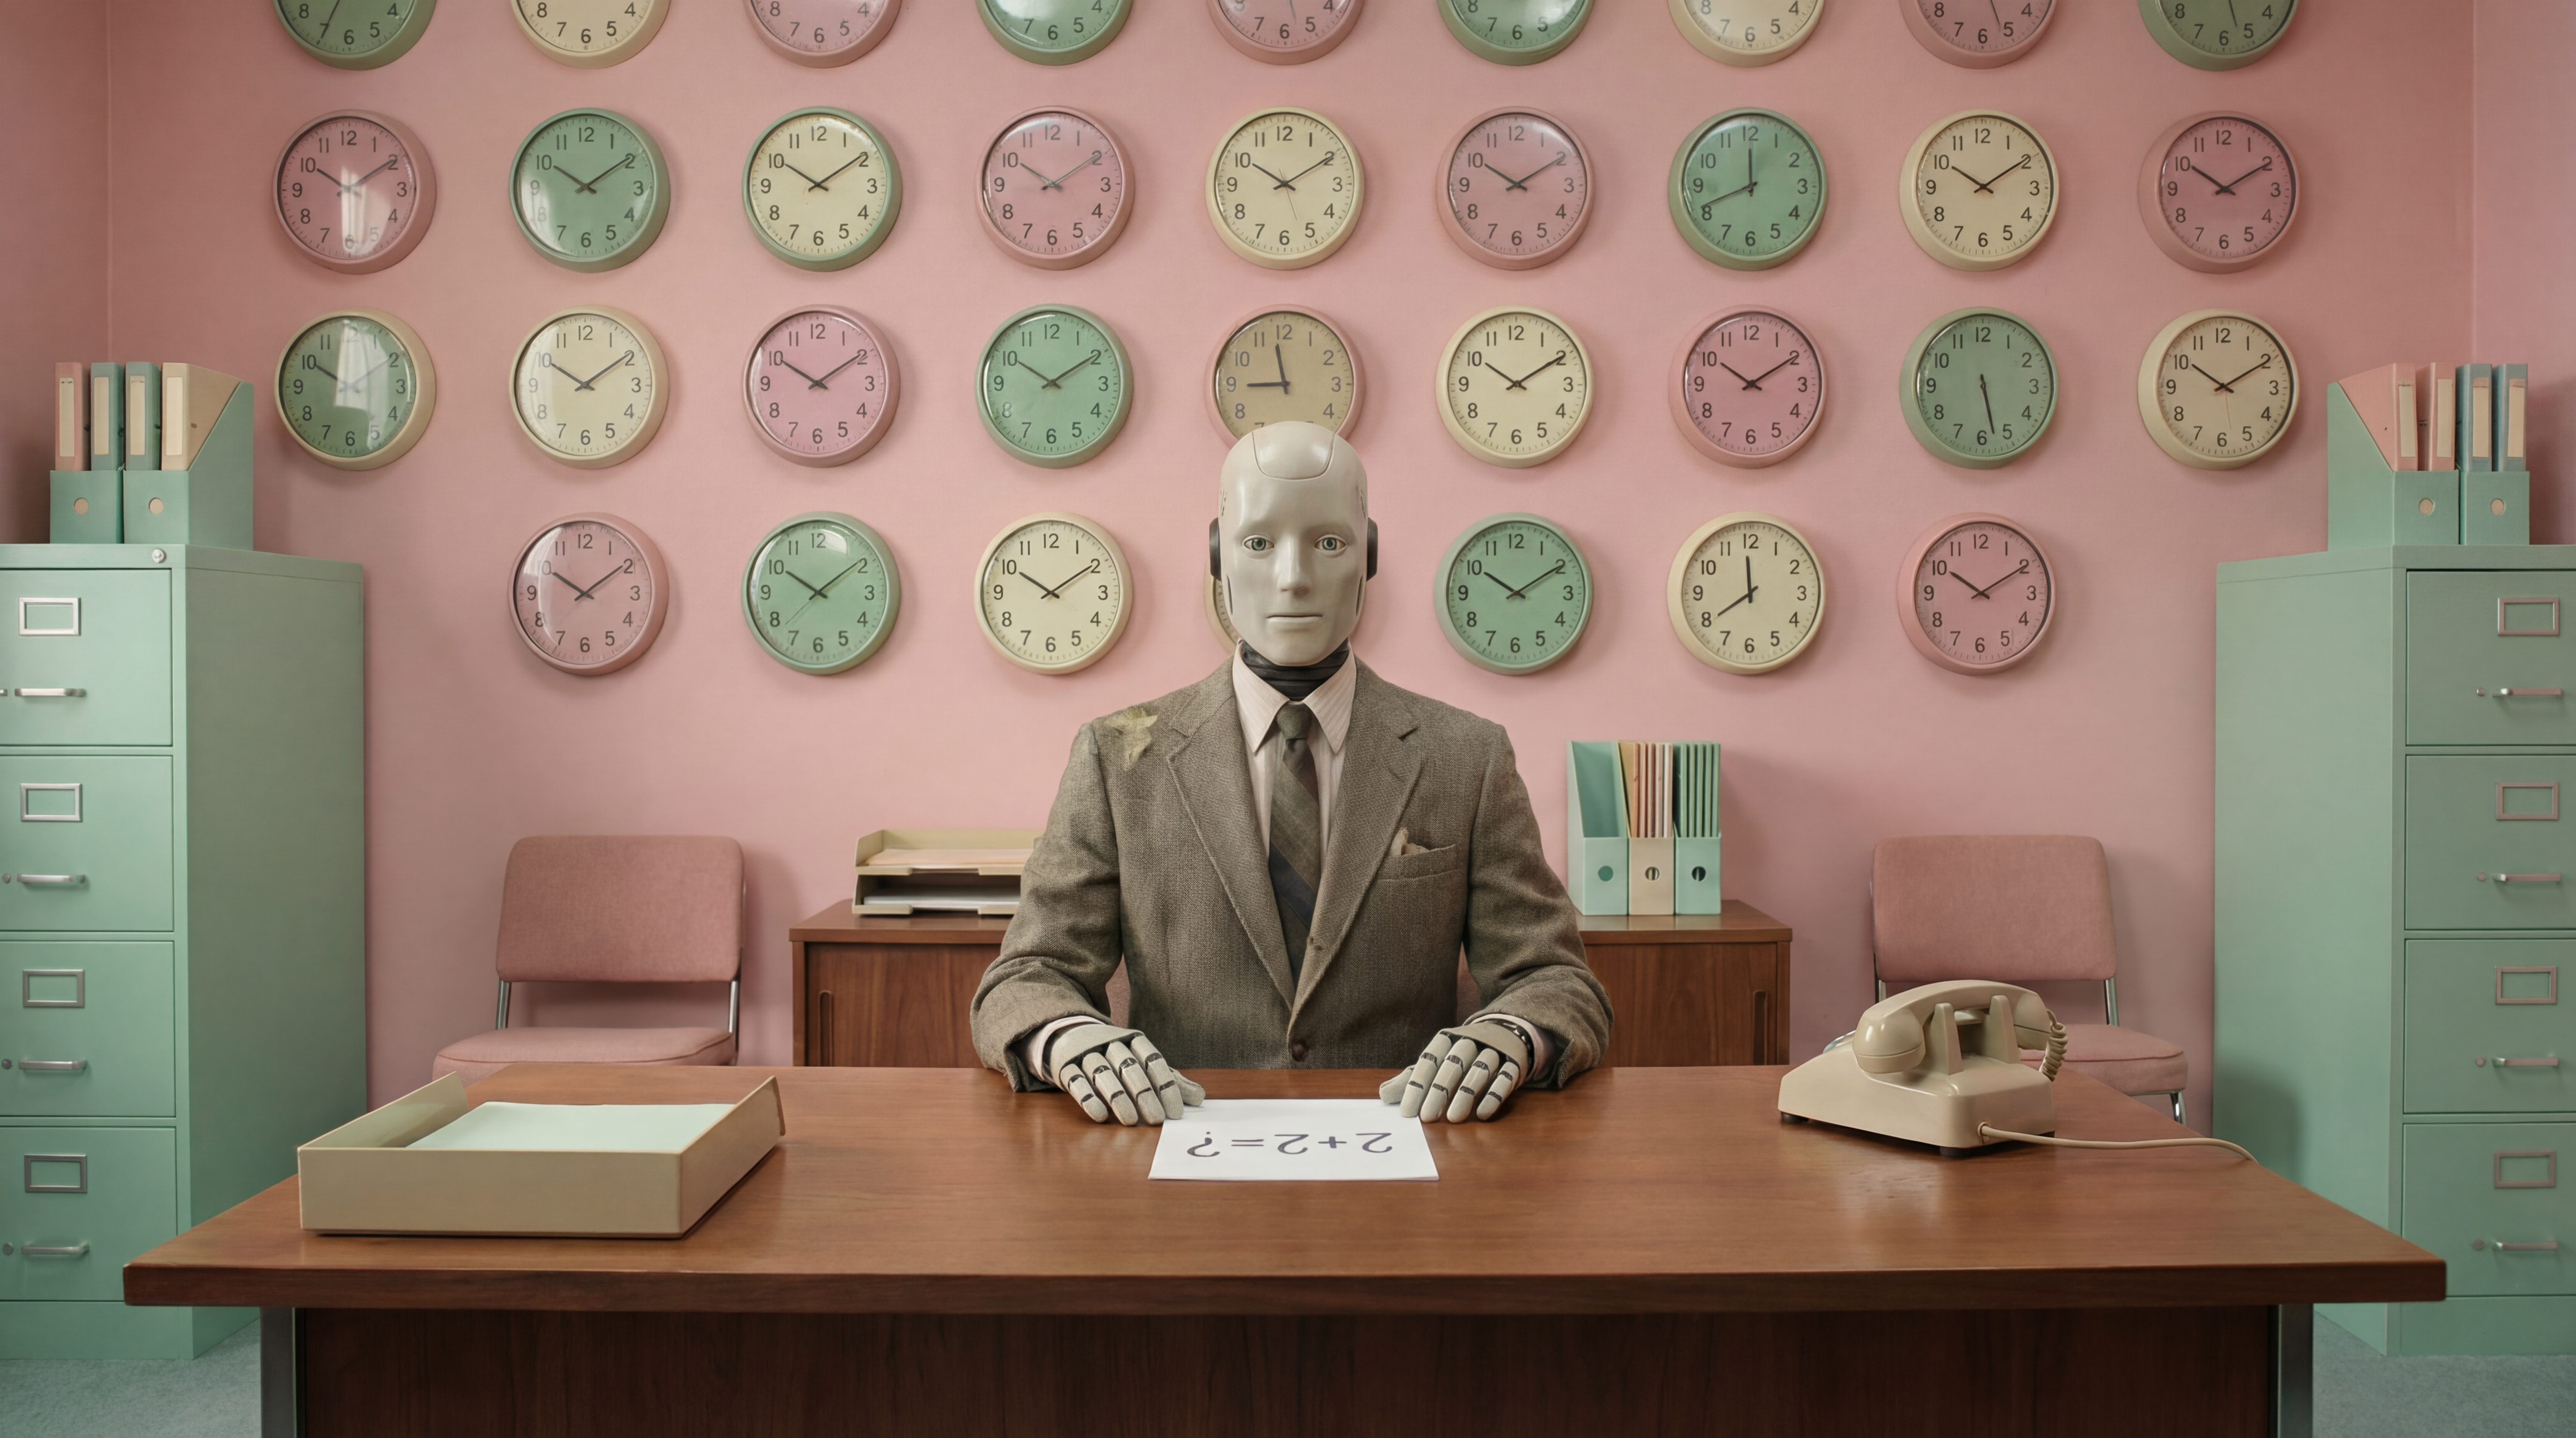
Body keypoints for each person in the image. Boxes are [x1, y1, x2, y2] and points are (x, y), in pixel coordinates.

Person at [969, 422, 1611, 1125]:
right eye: (1258, 542)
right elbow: (1027, 976)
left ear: (1369, 555)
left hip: (1404, 1151)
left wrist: (1515, 1035)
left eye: (1329, 543)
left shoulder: (1468, 757)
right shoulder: (1119, 758)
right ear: (1218, 554)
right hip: (1179, 1148)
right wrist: (1070, 1039)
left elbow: (1553, 978)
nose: (1294, 575)